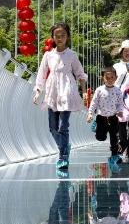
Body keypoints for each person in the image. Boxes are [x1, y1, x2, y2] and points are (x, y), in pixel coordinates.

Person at [33, 23, 88, 172]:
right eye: (57, 36)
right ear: (53, 37)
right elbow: (41, 74)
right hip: (52, 93)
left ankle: (63, 157)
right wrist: (38, 91)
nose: (60, 38)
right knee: (52, 128)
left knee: (63, 126)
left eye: (63, 35)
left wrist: (84, 91)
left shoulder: (72, 55)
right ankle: (64, 146)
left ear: (67, 37)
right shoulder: (48, 55)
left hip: (67, 91)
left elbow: (80, 74)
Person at [86, 67, 125, 165]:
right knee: (101, 138)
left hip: (113, 118)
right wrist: (90, 113)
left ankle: (114, 155)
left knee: (114, 137)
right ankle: (97, 127)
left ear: (116, 78)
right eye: (107, 78)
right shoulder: (99, 90)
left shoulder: (118, 91)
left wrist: (120, 111)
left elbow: (120, 103)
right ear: (102, 78)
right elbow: (94, 103)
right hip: (101, 118)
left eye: (112, 77)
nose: (110, 80)